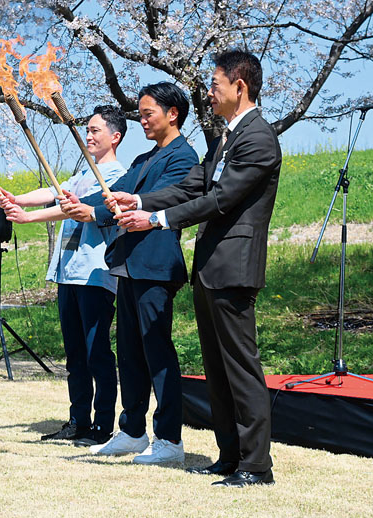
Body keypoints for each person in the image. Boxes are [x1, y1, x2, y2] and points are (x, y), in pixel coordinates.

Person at [108, 50, 281, 487]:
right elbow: (194, 186)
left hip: (234, 268)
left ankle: (256, 466)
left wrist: (157, 220)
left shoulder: (259, 138)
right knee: (216, 368)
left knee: (240, 367)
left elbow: (220, 198)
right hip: (210, 267)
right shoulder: (225, 138)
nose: (209, 93)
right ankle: (229, 457)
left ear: (239, 86)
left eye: (215, 85)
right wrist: (140, 200)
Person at [63, 82, 198, 464]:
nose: (142, 120)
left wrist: (116, 206)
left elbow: (164, 198)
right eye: (140, 114)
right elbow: (112, 194)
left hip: (156, 265)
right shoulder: (143, 159)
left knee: (156, 351)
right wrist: (80, 205)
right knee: (130, 353)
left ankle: (169, 438)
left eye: (148, 113)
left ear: (173, 114)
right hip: (127, 264)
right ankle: (133, 431)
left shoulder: (184, 157)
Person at [0, 105, 127, 445]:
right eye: (87, 130)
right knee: (75, 356)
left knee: (97, 353)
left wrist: (28, 218)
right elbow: (54, 193)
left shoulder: (117, 177)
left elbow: (73, 209)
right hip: (68, 274)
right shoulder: (83, 172)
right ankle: (78, 421)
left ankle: (102, 427)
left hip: (95, 275)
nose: (88, 136)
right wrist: (17, 199)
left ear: (115, 137)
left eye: (95, 130)